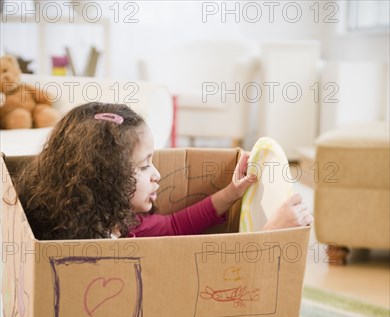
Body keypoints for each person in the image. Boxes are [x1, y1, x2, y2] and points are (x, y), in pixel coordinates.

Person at [15, 102, 313, 240]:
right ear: (104, 179)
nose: (157, 174)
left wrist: (231, 193)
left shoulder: (124, 223)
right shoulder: (85, 243)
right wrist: (271, 235)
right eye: (144, 166)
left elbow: (173, 227)